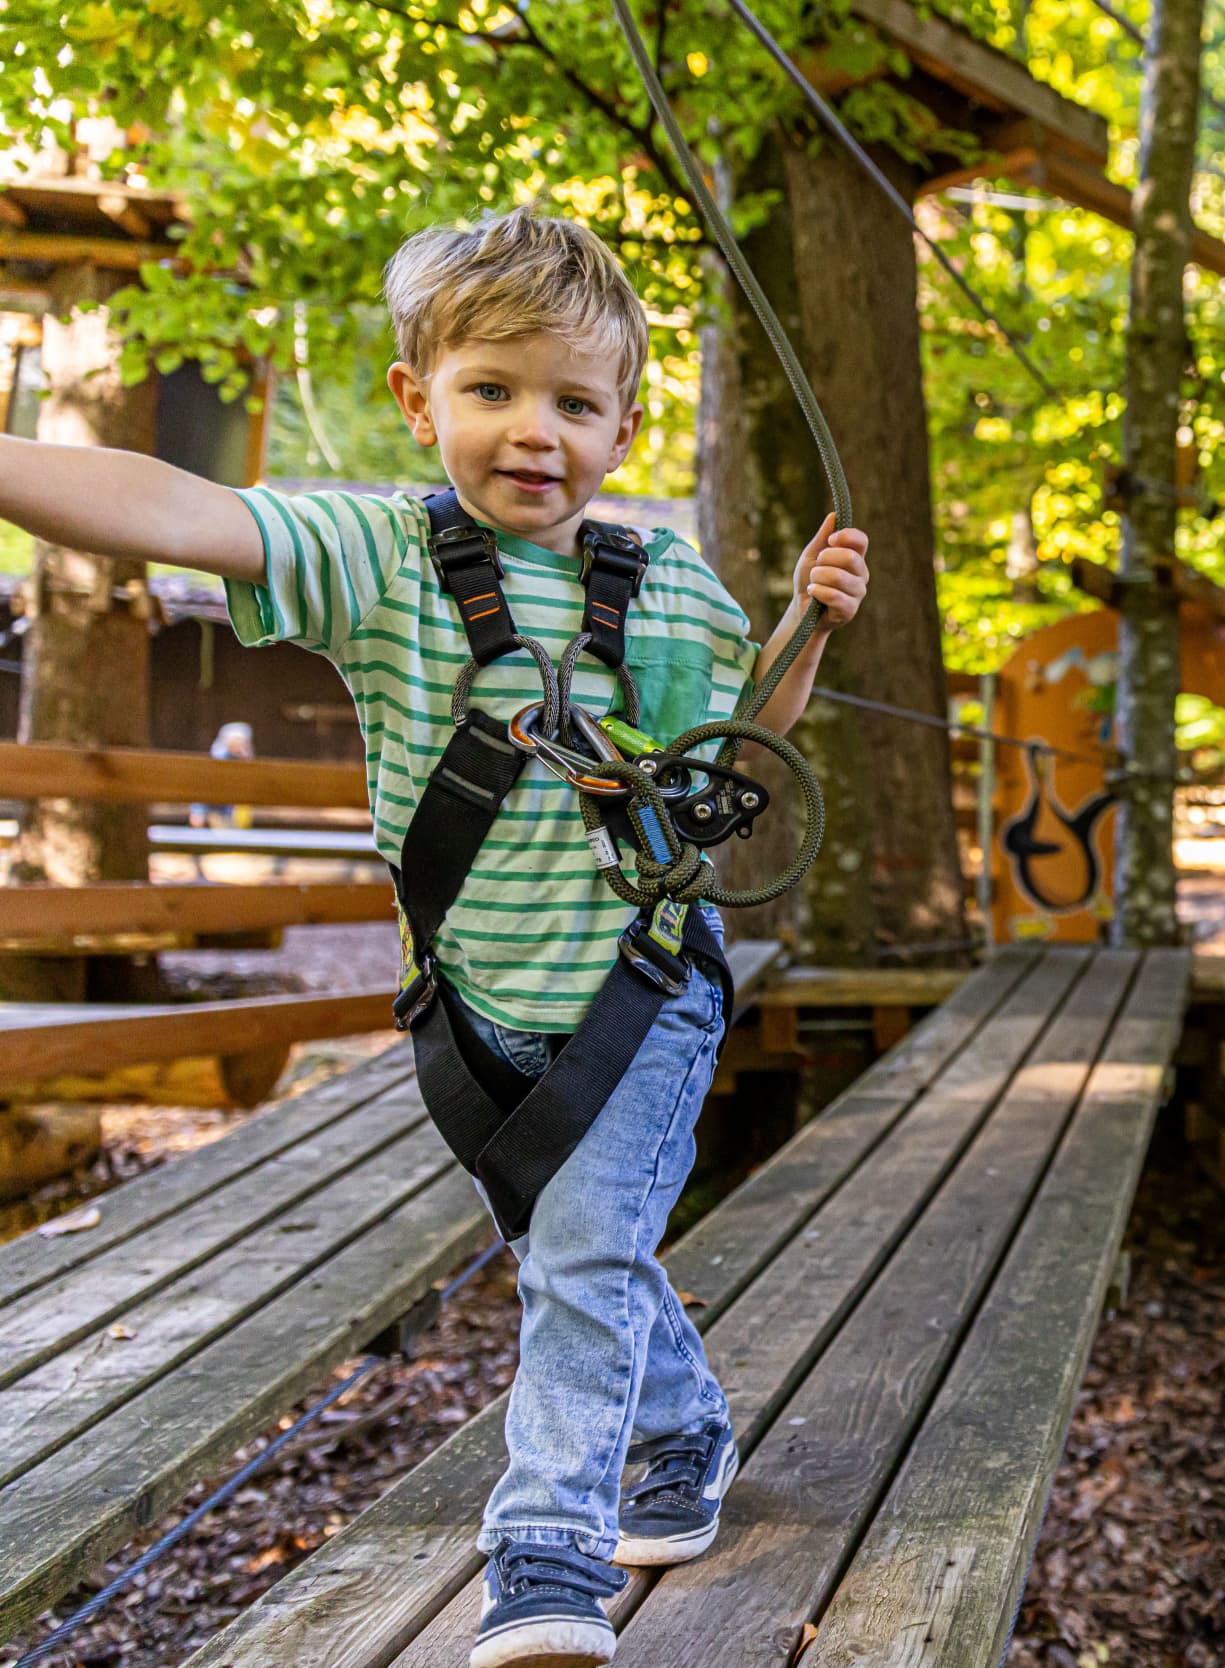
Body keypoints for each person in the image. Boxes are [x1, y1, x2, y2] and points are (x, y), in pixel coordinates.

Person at [0, 209, 870, 1668]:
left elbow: (740, 738)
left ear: (627, 422)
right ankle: (688, 1432)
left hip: (640, 991)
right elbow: (169, 506)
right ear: (420, 398)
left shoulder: (667, 583)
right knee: (577, 1250)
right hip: (472, 1005)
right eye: (494, 390)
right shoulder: (378, 556)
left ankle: (543, 1559)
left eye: (576, 402)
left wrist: (806, 628)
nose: (536, 432)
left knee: (581, 1260)